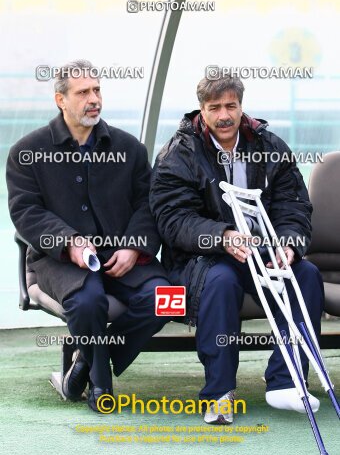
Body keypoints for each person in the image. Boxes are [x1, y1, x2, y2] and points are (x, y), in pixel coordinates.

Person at [149, 72, 324, 424]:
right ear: (202, 109)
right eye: (215, 107)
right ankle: (219, 392)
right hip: (201, 258)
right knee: (222, 281)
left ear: (242, 107)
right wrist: (223, 236)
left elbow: (294, 205)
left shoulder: (270, 146)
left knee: (304, 274)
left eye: (231, 105)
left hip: (261, 251)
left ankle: (285, 382)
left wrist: (288, 244)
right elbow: (172, 220)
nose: (224, 115)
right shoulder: (177, 153)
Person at [6, 59, 170, 412]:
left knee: (168, 297)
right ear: (60, 100)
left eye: (97, 90)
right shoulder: (27, 152)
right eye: (83, 92)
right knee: (87, 301)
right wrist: (69, 241)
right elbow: (26, 213)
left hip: (123, 255)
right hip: (57, 260)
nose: (93, 98)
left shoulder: (130, 149)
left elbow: (148, 206)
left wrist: (134, 246)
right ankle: (100, 386)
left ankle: (87, 357)